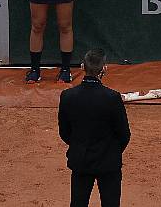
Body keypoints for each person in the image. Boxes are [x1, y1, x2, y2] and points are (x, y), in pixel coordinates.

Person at [58, 49, 130, 207]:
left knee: (78, 203)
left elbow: (64, 132)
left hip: (81, 160)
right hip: (108, 162)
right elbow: (124, 134)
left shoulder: (67, 96)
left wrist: (79, 145)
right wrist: (110, 151)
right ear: (104, 69)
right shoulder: (113, 98)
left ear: (83, 66)